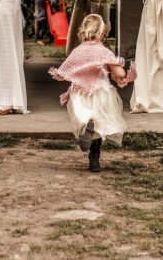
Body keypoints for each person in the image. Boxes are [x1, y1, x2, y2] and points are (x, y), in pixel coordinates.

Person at [49, 13, 137, 172]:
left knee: (83, 116)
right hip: (100, 92)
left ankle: (85, 127)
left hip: (80, 94)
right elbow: (120, 74)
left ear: (83, 30)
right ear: (102, 32)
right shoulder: (103, 51)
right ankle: (94, 157)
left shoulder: (78, 51)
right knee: (100, 125)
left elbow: (67, 70)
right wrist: (120, 72)